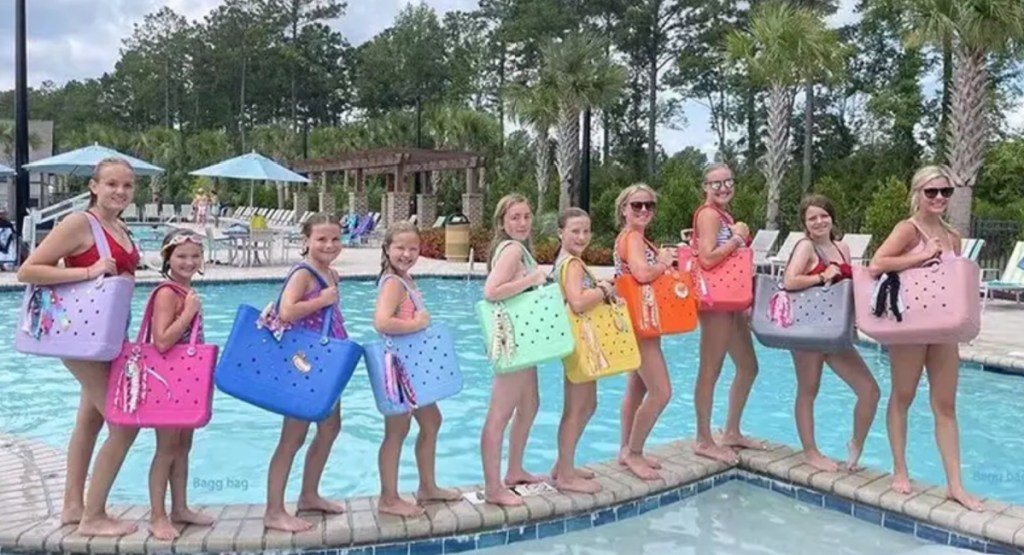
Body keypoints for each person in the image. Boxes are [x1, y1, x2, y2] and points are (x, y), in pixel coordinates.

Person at [16, 158, 142, 536]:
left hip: (109, 337)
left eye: (127, 186)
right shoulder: (78, 223)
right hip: (80, 338)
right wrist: (86, 272)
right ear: (94, 186)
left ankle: (73, 507)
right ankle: (93, 516)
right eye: (112, 184)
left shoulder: (118, 226)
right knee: (124, 424)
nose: (120, 191)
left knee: (90, 421)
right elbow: (28, 270)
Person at [868, 165, 982, 511]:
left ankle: (955, 484)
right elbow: (877, 264)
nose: (938, 198)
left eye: (945, 192)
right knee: (903, 396)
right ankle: (900, 469)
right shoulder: (908, 228)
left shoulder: (953, 235)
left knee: (945, 405)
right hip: (911, 325)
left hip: (943, 327)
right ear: (917, 193)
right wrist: (921, 255)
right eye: (931, 191)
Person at [261, 213, 347, 531]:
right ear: (306, 241)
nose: (329, 244)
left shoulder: (331, 273)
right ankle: (273, 510)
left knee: (330, 428)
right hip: (303, 364)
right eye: (321, 238)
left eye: (335, 238)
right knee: (292, 437)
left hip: (326, 365)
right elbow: (287, 311)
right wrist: (322, 299)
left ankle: (309, 494)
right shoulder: (304, 274)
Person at [781, 195, 880, 472]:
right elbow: (789, 281)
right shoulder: (805, 247)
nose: (819, 221)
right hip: (807, 331)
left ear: (832, 217)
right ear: (805, 223)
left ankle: (855, 446)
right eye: (812, 218)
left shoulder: (843, 248)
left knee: (870, 391)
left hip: (836, 332)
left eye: (823, 215)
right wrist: (821, 276)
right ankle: (811, 452)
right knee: (809, 389)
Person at [372, 221, 460, 517]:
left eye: (413, 248)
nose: (407, 254)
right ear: (387, 249)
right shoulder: (393, 283)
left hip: (412, 369)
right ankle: (388, 498)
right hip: (397, 369)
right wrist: (417, 324)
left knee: (432, 420)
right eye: (400, 248)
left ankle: (427, 487)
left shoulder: (405, 279)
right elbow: (382, 323)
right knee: (396, 431)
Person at [146, 230, 216, 539]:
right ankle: (158, 515)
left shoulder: (185, 290)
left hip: (186, 378)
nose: (189, 262)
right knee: (166, 448)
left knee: (183, 446)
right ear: (167, 258)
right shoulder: (167, 293)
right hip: (167, 381)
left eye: (194, 256)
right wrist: (188, 313)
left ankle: (180, 507)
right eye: (181, 256)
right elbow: (161, 341)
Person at [692, 163, 763, 464]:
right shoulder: (708, 215)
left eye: (727, 181)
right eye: (715, 183)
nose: (723, 188)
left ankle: (731, 430)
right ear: (705, 187)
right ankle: (704, 439)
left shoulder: (725, 217)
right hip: (714, 303)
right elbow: (707, 259)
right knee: (711, 369)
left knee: (748, 366)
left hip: (731, 301)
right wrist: (737, 239)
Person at [480, 194, 548, 506]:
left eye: (526, 216)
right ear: (503, 223)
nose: (521, 223)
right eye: (514, 217)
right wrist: (534, 278)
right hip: (512, 342)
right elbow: (491, 292)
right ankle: (494, 487)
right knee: (500, 414)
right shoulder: (511, 250)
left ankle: (515, 469)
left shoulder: (519, 249)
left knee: (531, 403)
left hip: (524, 341)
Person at [613, 184, 675, 480]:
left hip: (636, 321)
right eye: (636, 205)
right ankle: (634, 453)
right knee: (662, 392)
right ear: (624, 208)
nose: (643, 211)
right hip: (641, 324)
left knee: (636, 389)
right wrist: (663, 263)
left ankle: (625, 448)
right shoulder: (634, 238)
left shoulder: (631, 238)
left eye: (649, 205)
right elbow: (641, 273)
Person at [551, 207, 613, 493]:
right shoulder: (572, 265)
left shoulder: (568, 261)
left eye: (586, 230)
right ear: (560, 232)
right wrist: (604, 290)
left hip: (579, 342)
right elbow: (576, 302)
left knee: (587, 405)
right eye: (575, 230)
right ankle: (564, 474)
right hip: (579, 342)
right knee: (577, 408)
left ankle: (563, 464)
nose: (581, 236)